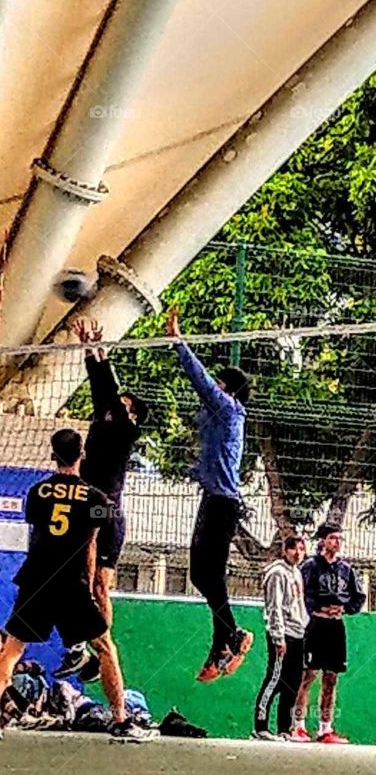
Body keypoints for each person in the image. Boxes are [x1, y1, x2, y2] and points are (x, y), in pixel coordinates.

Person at [0, 429, 157, 743]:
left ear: (53, 455)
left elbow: (38, 533)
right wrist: (92, 586)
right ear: (83, 455)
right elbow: (92, 543)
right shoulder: (96, 498)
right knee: (104, 647)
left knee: (13, 648)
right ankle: (120, 717)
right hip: (72, 583)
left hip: (36, 577)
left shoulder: (37, 493)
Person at [55, 318, 148, 680]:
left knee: (97, 585)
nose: (115, 406)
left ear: (132, 415)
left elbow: (109, 392)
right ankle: (83, 648)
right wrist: (89, 350)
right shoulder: (105, 421)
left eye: (123, 404)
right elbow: (101, 390)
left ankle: (95, 648)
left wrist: (103, 352)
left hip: (106, 513)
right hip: (87, 508)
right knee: (79, 580)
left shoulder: (126, 431)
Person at [166, 307, 253, 681]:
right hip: (212, 499)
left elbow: (200, 381)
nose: (213, 388)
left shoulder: (230, 410)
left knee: (209, 573)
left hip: (223, 503)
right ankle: (223, 641)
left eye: (220, 384)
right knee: (201, 574)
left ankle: (233, 635)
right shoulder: (218, 418)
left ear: (228, 390)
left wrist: (178, 341)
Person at [291, 523, 364, 744]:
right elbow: (300, 592)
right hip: (316, 625)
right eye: (333, 538)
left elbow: (358, 596)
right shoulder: (311, 566)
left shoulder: (346, 569)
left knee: (331, 678)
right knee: (308, 674)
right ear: (322, 540)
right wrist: (317, 608)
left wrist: (345, 608)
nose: (337, 542)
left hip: (336, 626)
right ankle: (299, 726)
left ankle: (325, 729)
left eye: (339, 538)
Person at [252, 535, 308, 740]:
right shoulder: (277, 573)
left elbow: (298, 605)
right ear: (285, 551)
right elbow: (274, 606)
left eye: (301, 549)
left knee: (293, 683)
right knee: (274, 679)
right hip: (283, 633)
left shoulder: (297, 573)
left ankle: (284, 728)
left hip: (297, 632)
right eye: (293, 549)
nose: (298, 553)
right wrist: (278, 636)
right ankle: (260, 726)